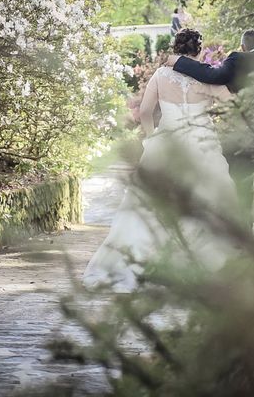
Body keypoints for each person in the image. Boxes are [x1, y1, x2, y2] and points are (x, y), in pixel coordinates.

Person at [83, 29, 237, 291]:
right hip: (203, 143)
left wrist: (153, 137)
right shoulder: (207, 76)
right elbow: (232, 105)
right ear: (198, 50)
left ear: (176, 48)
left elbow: (145, 111)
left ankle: (143, 262)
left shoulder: (161, 75)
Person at [166, 30, 254, 236]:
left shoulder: (237, 59)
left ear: (243, 47)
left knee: (242, 187)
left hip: (242, 135)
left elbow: (212, 75)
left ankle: (244, 240)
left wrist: (179, 61)